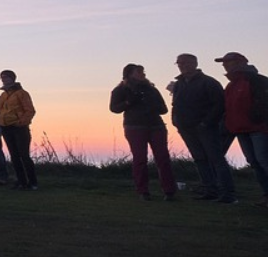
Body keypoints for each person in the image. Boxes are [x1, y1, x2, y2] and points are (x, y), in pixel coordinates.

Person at [171, 53, 233, 203]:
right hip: (186, 128)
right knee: (200, 159)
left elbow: (219, 105)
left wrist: (206, 123)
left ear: (195, 64)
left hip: (206, 128)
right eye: (179, 63)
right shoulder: (179, 84)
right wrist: (176, 121)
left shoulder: (209, 82)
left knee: (216, 160)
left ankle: (228, 194)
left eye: (185, 63)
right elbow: (176, 104)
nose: (182, 66)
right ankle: (210, 190)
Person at [110, 63, 177, 201]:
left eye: (143, 72)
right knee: (140, 159)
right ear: (129, 74)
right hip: (135, 127)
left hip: (156, 126)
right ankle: (143, 191)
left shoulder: (151, 89)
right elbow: (114, 108)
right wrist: (129, 102)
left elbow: (163, 109)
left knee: (163, 158)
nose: (143, 74)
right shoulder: (120, 90)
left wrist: (153, 106)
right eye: (138, 72)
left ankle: (169, 191)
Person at [217, 52, 268, 208]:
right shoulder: (231, 85)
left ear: (240, 63)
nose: (224, 65)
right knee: (254, 162)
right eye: (224, 62)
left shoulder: (257, 80)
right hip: (240, 129)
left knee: (263, 161)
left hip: (259, 129)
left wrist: (258, 118)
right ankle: (266, 195)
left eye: (228, 62)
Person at [0, 70, 38, 190]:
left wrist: (21, 123)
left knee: (24, 155)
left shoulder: (22, 93)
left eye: (6, 77)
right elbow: (0, 110)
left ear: (12, 78)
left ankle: (33, 182)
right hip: (6, 128)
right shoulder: (3, 95)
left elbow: (30, 110)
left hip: (19, 128)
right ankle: (21, 181)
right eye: (2, 77)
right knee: (14, 156)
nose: (3, 79)